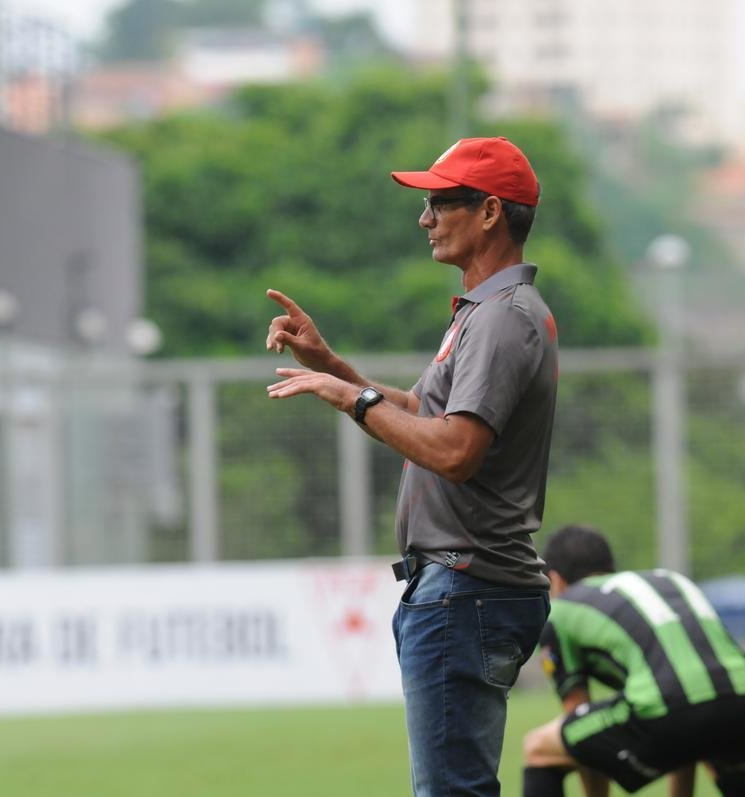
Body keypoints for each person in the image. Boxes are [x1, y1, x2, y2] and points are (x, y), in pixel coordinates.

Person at [265, 136, 558, 796]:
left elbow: (454, 451)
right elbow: (426, 413)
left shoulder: (500, 318)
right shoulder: (489, 312)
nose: (424, 218)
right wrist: (334, 368)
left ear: (488, 212)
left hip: (465, 585)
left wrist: (350, 397)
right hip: (467, 586)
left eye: (437, 202)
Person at [522, 525, 745, 797]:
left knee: (539, 749)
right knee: (722, 758)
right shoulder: (667, 581)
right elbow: (687, 698)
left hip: (676, 713)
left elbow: (580, 726)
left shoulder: (563, 609)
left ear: (556, 580)